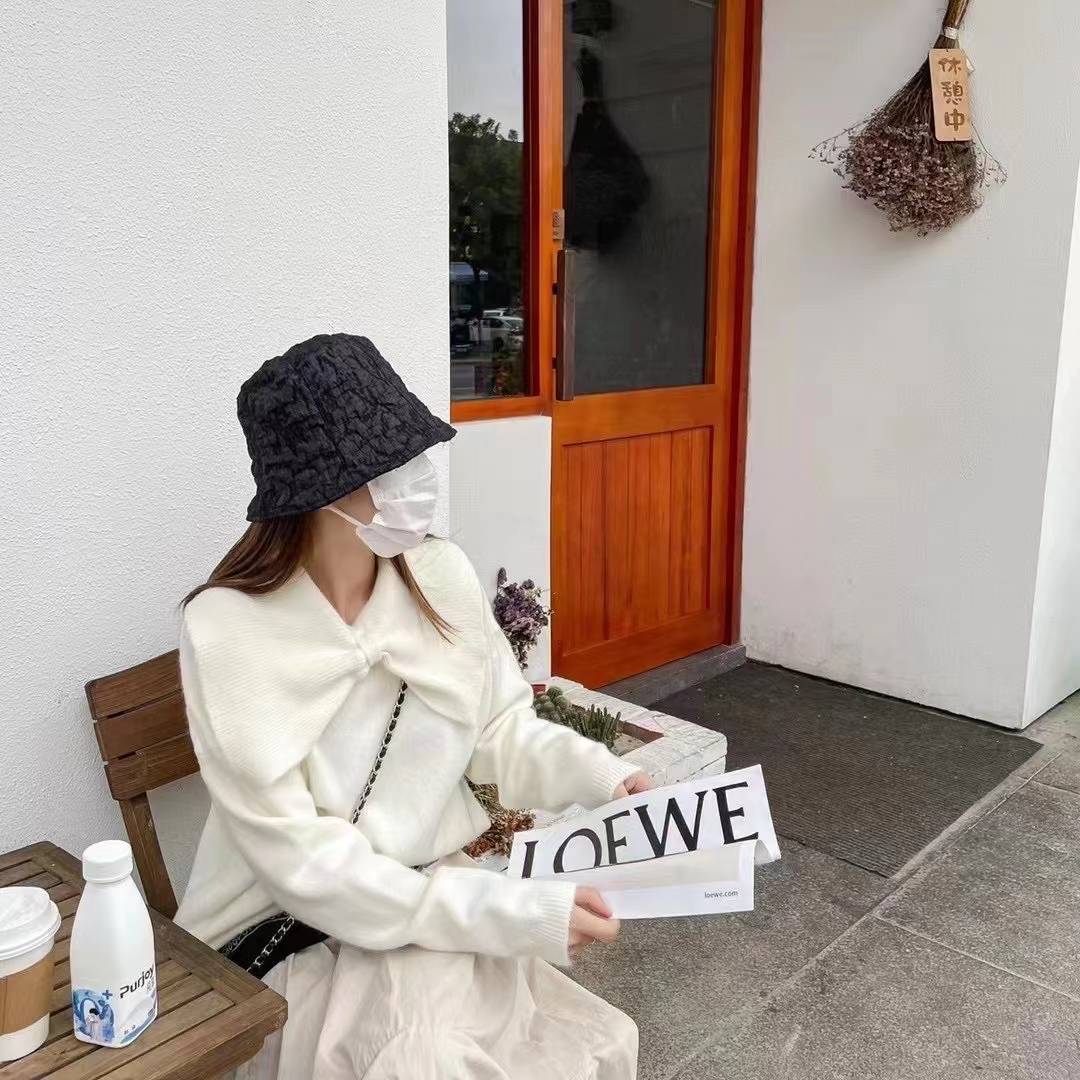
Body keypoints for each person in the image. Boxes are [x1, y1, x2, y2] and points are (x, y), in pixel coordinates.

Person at [175, 334, 651, 1079]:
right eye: (388, 463)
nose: (418, 477)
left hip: (430, 916)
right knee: (427, 1059)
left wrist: (606, 779)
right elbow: (305, 866)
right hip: (297, 940)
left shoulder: (439, 575)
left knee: (586, 1043)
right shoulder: (229, 633)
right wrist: (508, 914)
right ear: (321, 492)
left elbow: (497, 730)